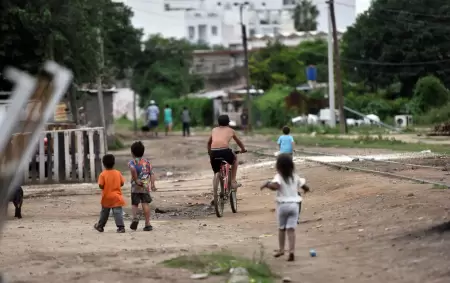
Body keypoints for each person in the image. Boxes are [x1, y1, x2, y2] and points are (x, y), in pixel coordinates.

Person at [260, 154, 310, 261]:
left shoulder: (278, 177)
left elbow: (275, 187)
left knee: (282, 229)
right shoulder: (295, 176)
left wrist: (267, 184)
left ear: (278, 166)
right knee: (291, 230)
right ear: (292, 166)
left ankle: (282, 249)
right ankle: (291, 251)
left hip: (283, 206)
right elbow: (304, 186)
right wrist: (306, 189)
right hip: (295, 206)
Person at [207, 114, 246, 190]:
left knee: (216, 172)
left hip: (214, 153)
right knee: (235, 160)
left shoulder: (214, 130)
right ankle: (233, 181)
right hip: (225, 151)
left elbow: (209, 143)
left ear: (218, 123)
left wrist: (210, 153)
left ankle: (215, 193)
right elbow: (238, 142)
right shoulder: (231, 130)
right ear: (228, 123)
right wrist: (243, 149)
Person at [94, 154, 126, 233]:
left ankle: (100, 226)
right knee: (118, 212)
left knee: (104, 213)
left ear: (103, 164)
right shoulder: (118, 173)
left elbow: (101, 186)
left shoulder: (102, 174)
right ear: (114, 163)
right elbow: (122, 183)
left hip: (107, 197)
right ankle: (121, 227)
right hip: (116, 197)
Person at [128, 141, 156, 231]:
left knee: (135, 204)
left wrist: (135, 179)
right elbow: (152, 174)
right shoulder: (147, 163)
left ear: (132, 152)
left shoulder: (132, 163)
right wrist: (153, 184)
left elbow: (132, 169)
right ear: (143, 152)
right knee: (145, 203)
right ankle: (147, 223)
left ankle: (135, 217)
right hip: (144, 187)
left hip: (135, 187)